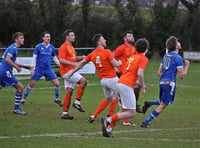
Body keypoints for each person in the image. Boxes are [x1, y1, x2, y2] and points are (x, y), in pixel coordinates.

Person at [68, 34, 122, 123]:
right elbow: (116, 64)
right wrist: (121, 61)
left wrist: (73, 72)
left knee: (109, 99)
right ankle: (115, 119)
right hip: (112, 79)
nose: (105, 40)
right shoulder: (107, 52)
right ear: (99, 42)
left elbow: (81, 64)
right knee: (122, 98)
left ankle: (94, 115)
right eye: (103, 39)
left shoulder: (92, 54)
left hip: (103, 81)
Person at [101, 38, 149, 137]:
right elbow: (140, 73)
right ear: (146, 49)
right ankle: (108, 120)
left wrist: (139, 84)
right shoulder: (143, 58)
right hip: (125, 85)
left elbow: (130, 74)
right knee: (132, 112)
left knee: (123, 111)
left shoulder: (132, 57)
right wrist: (143, 86)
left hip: (120, 83)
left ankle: (109, 129)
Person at [141, 36, 190, 128]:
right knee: (163, 105)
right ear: (176, 46)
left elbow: (159, 73)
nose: (178, 43)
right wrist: (186, 66)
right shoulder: (178, 58)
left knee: (163, 101)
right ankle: (145, 122)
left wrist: (167, 80)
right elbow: (182, 75)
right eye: (177, 42)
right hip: (169, 83)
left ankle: (149, 103)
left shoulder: (166, 56)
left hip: (162, 82)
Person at [109, 31, 142, 127]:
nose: (132, 37)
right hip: (122, 74)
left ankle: (122, 116)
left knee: (134, 90)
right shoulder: (121, 48)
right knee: (119, 97)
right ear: (125, 39)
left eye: (132, 35)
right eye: (129, 36)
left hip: (129, 75)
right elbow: (111, 56)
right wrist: (115, 66)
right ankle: (113, 116)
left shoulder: (133, 49)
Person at [21, 31, 62, 106]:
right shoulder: (38, 47)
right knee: (31, 84)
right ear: (43, 38)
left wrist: (60, 66)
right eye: (46, 37)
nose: (48, 38)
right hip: (39, 69)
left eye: (49, 37)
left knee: (57, 84)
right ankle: (23, 99)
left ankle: (57, 99)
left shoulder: (51, 47)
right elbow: (34, 58)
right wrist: (32, 69)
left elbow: (54, 58)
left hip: (48, 69)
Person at [58, 29, 87, 120]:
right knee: (84, 82)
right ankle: (77, 102)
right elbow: (61, 60)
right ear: (67, 37)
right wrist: (73, 64)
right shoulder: (64, 47)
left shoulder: (71, 47)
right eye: (72, 35)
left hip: (70, 71)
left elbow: (73, 59)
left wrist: (81, 58)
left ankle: (64, 113)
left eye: (74, 35)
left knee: (69, 91)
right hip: (67, 71)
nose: (73, 37)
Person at [0, 32, 31, 115]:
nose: (23, 40)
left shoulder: (13, 48)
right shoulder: (13, 48)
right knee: (20, 88)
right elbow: (7, 59)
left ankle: (17, 108)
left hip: (2, 71)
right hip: (5, 72)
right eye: (21, 38)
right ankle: (17, 109)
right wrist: (17, 68)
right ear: (16, 39)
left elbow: (11, 61)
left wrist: (25, 66)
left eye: (23, 38)